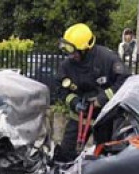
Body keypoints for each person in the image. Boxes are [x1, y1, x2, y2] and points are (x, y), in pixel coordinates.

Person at [55, 23, 130, 162]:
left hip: (105, 119)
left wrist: (102, 98)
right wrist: (74, 102)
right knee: (65, 155)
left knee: (105, 157)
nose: (71, 56)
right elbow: (60, 88)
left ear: (85, 49)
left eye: (74, 52)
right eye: (68, 52)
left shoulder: (107, 59)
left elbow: (124, 81)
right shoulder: (66, 66)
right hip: (80, 117)